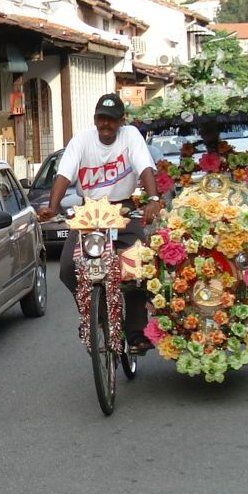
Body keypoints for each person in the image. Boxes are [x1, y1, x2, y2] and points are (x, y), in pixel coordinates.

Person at [37, 93, 163, 349]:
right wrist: (52, 206)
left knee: (139, 265)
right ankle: (93, 315)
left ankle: (136, 331)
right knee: (67, 268)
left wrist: (152, 199)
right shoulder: (82, 140)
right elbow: (64, 173)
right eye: (101, 119)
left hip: (123, 209)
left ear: (122, 121)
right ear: (95, 119)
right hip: (90, 213)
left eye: (112, 120)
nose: (106, 125)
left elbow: (145, 167)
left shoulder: (130, 136)